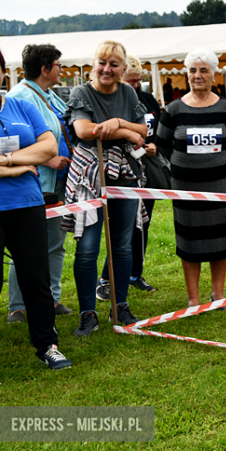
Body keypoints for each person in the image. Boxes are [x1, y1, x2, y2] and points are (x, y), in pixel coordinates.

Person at [0, 41, 72, 388]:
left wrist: (3, 161)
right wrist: (19, 167)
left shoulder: (21, 106)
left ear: (3, 70)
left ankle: (47, 345)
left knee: (36, 279)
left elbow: (48, 147)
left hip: (28, 206)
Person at [63, 40, 148, 337]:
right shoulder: (81, 92)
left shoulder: (128, 92)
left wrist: (119, 122)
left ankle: (119, 304)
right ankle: (88, 312)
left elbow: (144, 132)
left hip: (123, 174)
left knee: (122, 245)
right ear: (93, 64)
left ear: (123, 69)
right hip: (90, 175)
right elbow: (84, 130)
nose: (106, 69)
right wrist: (125, 131)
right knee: (87, 248)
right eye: (102, 62)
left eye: (113, 64)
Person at [155, 48, 226, 309]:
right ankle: (192, 298)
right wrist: (183, 166)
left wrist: (218, 167)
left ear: (214, 75)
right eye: (193, 70)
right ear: (186, 74)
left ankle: (218, 294)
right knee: (189, 239)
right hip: (186, 189)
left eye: (203, 70)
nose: (197, 75)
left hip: (222, 187)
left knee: (222, 237)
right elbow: (162, 145)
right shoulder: (173, 110)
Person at [6, 44, 74, 321]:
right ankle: (18, 306)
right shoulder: (18, 97)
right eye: (58, 65)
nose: (62, 69)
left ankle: (52, 299)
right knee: (26, 245)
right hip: (32, 181)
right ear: (45, 69)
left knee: (55, 242)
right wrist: (47, 160)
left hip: (57, 182)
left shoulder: (47, 94)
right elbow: (12, 143)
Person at [96, 55, 161, 300]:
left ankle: (135, 274)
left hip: (147, 170)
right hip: (121, 171)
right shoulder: (117, 101)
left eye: (138, 81)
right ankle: (106, 278)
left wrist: (154, 145)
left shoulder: (147, 100)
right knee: (122, 230)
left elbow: (156, 131)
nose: (135, 85)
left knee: (142, 224)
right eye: (131, 81)